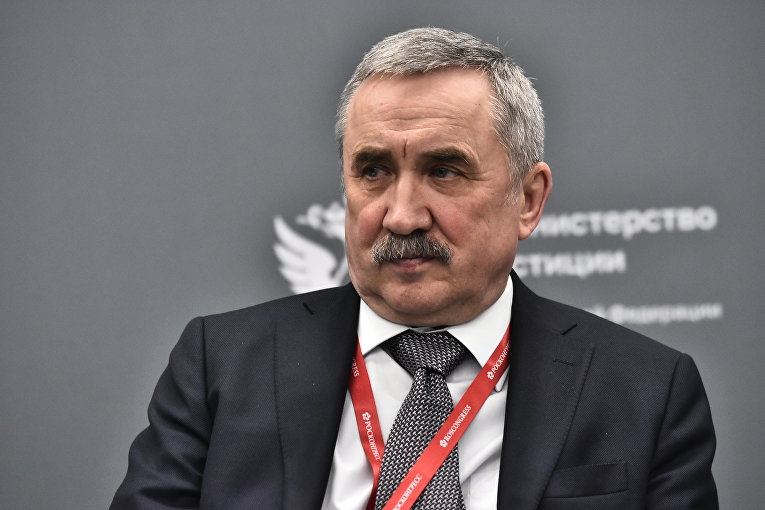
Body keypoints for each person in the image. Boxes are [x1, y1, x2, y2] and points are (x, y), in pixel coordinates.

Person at [111, 28, 718, 509]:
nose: (401, 216)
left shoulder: (646, 391)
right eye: (373, 171)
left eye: (444, 171)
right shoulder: (221, 364)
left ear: (528, 200)